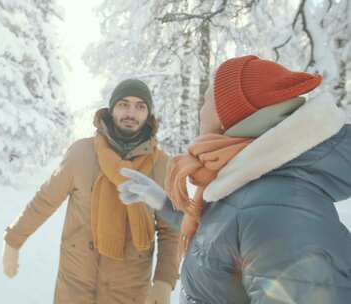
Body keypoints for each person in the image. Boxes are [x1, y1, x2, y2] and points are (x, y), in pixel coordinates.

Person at [119, 55, 351, 303]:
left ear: (228, 111)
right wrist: (162, 202)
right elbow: (220, 240)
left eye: (207, 99)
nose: (200, 108)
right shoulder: (251, 182)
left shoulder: (279, 208)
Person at [2, 79, 180, 303]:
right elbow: (44, 200)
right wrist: (13, 240)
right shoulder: (82, 153)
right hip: (76, 287)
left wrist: (164, 280)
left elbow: (171, 230)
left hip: (130, 292)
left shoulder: (163, 165)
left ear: (148, 115)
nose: (131, 113)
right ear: (112, 108)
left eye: (140, 106)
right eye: (124, 104)